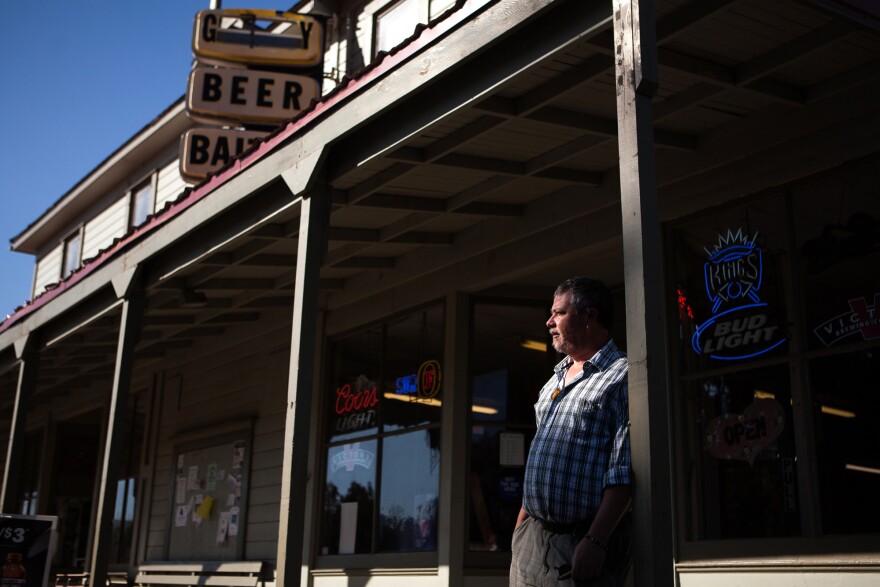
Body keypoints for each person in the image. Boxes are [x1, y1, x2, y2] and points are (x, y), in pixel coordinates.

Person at [510, 277, 632, 586]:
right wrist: (520, 530)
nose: (549, 322)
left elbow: (624, 472)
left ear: (590, 316)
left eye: (559, 313)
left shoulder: (622, 376)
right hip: (531, 540)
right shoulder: (555, 379)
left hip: (581, 544)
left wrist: (596, 540)